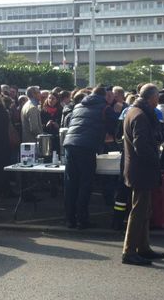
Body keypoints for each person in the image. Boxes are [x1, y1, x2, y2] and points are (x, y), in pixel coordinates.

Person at [121, 84, 164, 266]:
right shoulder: (140, 116)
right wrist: (157, 159)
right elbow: (142, 147)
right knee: (139, 211)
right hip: (141, 169)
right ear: (152, 98)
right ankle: (129, 250)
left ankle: (143, 247)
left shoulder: (134, 111)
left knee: (144, 210)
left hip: (138, 168)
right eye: (157, 97)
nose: (158, 101)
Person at [62, 86, 109, 229]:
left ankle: (70, 219)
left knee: (71, 184)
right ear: (104, 96)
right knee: (85, 184)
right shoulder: (104, 107)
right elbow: (114, 125)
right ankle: (82, 219)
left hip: (70, 145)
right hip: (87, 146)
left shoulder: (77, 106)